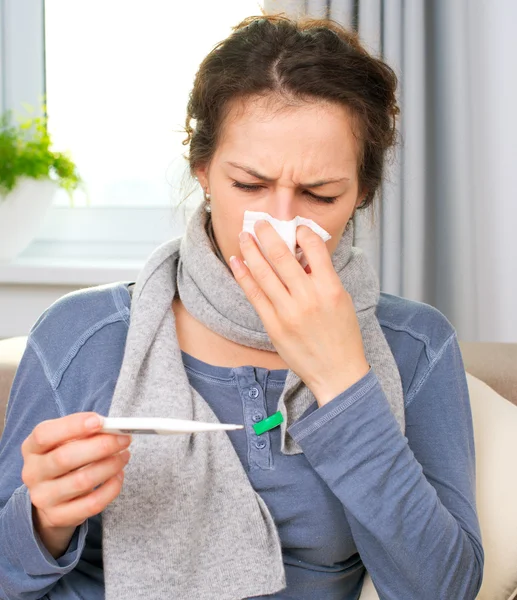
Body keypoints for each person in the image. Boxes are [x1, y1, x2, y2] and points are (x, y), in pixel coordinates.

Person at [0, 14, 483, 600]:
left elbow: (445, 590)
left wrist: (342, 379)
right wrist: (44, 521)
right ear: (203, 169)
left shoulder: (415, 347)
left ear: (361, 192)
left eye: (320, 194)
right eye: (250, 186)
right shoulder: (82, 337)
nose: (279, 225)